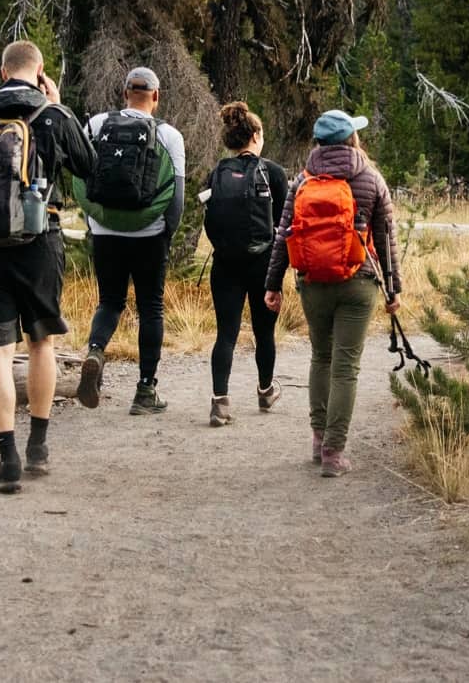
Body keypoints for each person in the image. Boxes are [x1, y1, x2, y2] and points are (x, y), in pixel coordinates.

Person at [0, 40, 95, 494]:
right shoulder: (51, 116)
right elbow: (89, 167)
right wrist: (58, 106)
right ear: (40, 71)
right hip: (41, 242)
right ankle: (38, 447)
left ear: (2, 70)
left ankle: (6, 456)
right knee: (40, 343)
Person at [263, 109, 398, 477]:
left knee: (321, 358)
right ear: (351, 139)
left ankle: (318, 439)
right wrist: (393, 288)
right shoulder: (370, 179)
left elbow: (283, 234)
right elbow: (386, 238)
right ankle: (334, 454)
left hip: (313, 283)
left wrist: (272, 285)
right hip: (359, 283)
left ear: (319, 142)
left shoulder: (302, 182)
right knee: (346, 367)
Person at [71, 67, 185, 415]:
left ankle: (95, 351)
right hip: (149, 235)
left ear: (124, 94)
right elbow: (176, 196)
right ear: (156, 96)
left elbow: (79, 179)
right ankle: (145, 392)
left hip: (106, 232)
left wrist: (93, 220)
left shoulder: (95, 126)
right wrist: (167, 232)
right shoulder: (169, 135)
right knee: (151, 308)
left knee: (109, 302)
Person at [201, 102, 287, 426]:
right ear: (254, 135)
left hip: (224, 264)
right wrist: (278, 277)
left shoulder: (218, 172)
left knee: (226, 334)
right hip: (263, 263)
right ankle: (265, 391)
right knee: (264, 333)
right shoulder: (274, 173)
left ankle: (219, 402)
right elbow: (284, 227)